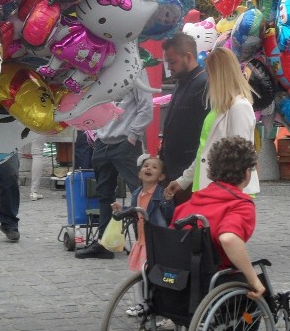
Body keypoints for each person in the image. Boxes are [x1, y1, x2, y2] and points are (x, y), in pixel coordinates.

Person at [171, 136, 265, 300]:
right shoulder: (240, 205)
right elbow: (228, 238)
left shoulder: (189, 204)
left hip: (177, 281)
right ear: (247, 173)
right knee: (262, 288)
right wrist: (253, 279)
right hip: (211, 282)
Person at [165, 47, 259, 200]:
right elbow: (204, 151)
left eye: (210, 73)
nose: (208, 79)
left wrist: (231, 194)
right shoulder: (220, 108)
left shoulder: (239, 107)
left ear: (219, 74)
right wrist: (183, 181)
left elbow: (241, 156)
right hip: (209, 188)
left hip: (226, 193)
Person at [75, 84, 153, 260]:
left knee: (139, 195)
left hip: (125, 142)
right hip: (103, 142)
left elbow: (146, 107)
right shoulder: (103, 68)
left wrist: (132, 136)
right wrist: (97, 133)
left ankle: (145, 244)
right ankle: (104, 243)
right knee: (104, 194)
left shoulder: (136, 70)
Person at [160, 32, 209, 198]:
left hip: (190, 172)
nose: (169, 68)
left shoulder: (204, 83)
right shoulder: (181, 82)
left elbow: (207, 133)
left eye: (173, 62)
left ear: (188, 57)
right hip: (173, 169)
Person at [125, 154, 174, 315]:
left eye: (154, 167)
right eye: (146, 166)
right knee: (137, 273)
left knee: (149, 273)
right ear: (139, 173)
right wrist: (121, 211)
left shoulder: (161, 194)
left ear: (161, 177)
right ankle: (140, 304)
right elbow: (134, 213)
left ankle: (151, 303)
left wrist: (167, 201)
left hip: (154, 240)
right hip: (141, 240)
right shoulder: (136, 193)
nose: (148, 168)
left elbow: (168, 216)